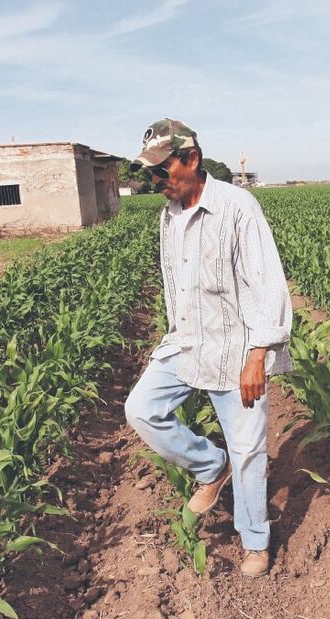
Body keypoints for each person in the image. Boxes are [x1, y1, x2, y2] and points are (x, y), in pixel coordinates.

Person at [123, 118, 292, 577]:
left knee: (249, 450)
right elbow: (176, 286)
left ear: (191, 159)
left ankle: (254, 541)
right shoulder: (169, 215)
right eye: (149, 171)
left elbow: (266, 284)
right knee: (141, 409)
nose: (154, 179)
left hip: (236, 350)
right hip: (187, 342)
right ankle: (211, 467)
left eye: (161, 169)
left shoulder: (237, 207)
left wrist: (258, 356)